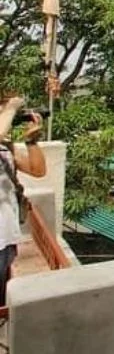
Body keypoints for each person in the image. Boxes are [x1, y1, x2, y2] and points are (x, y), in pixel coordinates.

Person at [0, 95, 47, 305]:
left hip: (6, 237)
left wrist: (31, 141)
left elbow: (37, 170)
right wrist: (10, 108)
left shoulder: (5, 149)